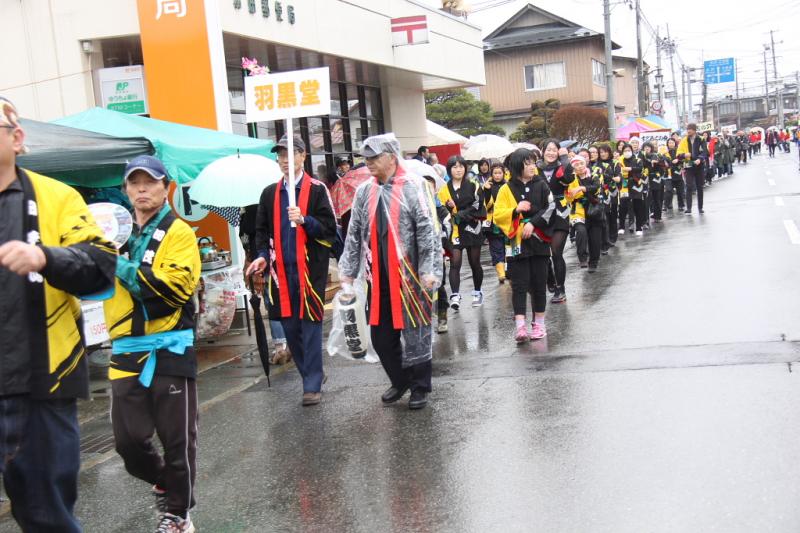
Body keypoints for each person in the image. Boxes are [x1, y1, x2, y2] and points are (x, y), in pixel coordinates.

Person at [0, 97, 116, 532]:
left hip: (40, 381)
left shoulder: (55, 196)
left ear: (17, 138)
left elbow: (100, 263)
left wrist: (46, 257)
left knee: (46, 514)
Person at [103, 155, 200, 533]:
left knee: (178, 441)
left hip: (170, 347)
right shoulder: (113, 235)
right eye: (134, 182)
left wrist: (116, 264)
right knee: (128, 442)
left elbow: (172, 290)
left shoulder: (179, 232)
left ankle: (177, 514)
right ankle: (167, 483)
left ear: (165, 187)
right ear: (125, 189)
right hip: (126, 349)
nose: (142, 189)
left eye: (150, 182)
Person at [339, 133, 442, 410]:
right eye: (366, 158)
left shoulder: (414, 186)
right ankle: (400, 379)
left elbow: (428, 231)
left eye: (374, 157)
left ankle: (420, 386)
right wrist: (347, 272)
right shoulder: (365, 191)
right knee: (381, 337)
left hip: (411, 276)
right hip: (379, 276)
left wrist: (429, 270)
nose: (369, 162)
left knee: (416, 332)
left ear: (391, 157)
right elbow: (354, 233)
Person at [247, 134, 337, 406]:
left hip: (309, 270)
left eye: (291, 154)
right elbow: (261, 232)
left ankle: (311, 384)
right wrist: (262, 256)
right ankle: (311, 371)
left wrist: (305, 220)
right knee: (290, 326)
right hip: (280, 274)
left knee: (310, 324)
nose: (285, 160)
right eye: (281, 155)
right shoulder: (269, 194)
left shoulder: (317, 190)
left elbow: (329, 231)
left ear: (303, 156)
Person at [493, 148, 550, 342]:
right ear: (518, 166)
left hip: (539, 239)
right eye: (528, 163)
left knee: (539, 283)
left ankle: (539, 324)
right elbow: (497, 215)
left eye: (533, 162)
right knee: (519, 284)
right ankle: (520, 327)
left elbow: (551, 207)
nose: (533, 167)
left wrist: (533, 223)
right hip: (516, 242)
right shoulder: (505, 189)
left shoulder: (541, 185)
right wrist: (515, 210)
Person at [438, 155, 485, 309]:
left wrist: (459, 213)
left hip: (472, 228)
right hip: (455, 230)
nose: (458, 170)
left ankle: (477, 292)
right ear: (449, 170)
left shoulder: (473, 185)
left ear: (465, 168)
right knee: (455, 262)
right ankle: (455, 295)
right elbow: (441, 210)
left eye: (461, 166)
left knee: (475, 263)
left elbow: (478, 205)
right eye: (454, 167)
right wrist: (449, 208)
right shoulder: (444, 190)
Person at [539, 139, 573, 303]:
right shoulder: (535, 168)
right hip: (542, 213)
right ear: (542, 151)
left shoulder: (563, 166)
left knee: (556, 252)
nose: (551, 153)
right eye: (548, 149)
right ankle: (550, 279)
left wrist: (565, 158)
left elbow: (568, 178)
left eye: (554, 150)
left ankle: (561, 289)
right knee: (543, 254)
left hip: (560, 212)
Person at [568, 154, 603, 272]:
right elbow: (569, 194)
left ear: (585, 164)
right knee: (581, 231)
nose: (579, 166)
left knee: (595, 240)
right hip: (578, 211)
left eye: (581, 163)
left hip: (593, 210)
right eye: (576, 165)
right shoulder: (571, 179)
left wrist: (581, 188)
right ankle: (582, 258)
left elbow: (596, 187)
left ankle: (593, 262)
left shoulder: (594, 176)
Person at [481, 162, 508, 283]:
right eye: (495, 173)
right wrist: (486, 191)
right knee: (496, 247)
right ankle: (501, 273)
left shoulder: (508, 186)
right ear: (491, 174)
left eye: (499, 173)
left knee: (508, 246)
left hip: (507, 219)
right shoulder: (487, 186)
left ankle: (509, 270)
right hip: (492, 221)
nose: (497, 175)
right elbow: (484, 205)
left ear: (504, 173)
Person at [677, 124, 708, 214]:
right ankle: (689, 208)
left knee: (699, 187)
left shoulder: (701, 139)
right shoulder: (684, 140)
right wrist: (684, 155)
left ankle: (700, 207)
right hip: (688, 165)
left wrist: (700, 159)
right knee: (689, 186)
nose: (688, 131)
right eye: (687, 129)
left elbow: (705, 152)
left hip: (699, 166)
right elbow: (678, 154)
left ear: (694, 130)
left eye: (690, 129)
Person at [616, 142, 646, 236]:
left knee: (638, 206)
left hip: (636, 185)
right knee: (623, 206)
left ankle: (639, 227)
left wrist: (630, 169)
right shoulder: (619, 161)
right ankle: (621, 227)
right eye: (625, 151)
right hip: (624, 185)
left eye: (629, 150)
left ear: (632, 151)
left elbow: (640, 168)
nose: (627, 152)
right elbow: (617, 171)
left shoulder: (637, 160)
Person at [663, 137, 684, 212]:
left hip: (677, 173)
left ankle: (681, 205)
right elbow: (663, 161)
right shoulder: (665, 152)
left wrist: (678, 160)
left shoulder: (679, 151)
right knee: (669, 190)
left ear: (675, 143)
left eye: (672, 142)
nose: (671, 144)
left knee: (680, 191)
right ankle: (666, 204)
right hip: (668, 174)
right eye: (669, 143)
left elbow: (683, 160)